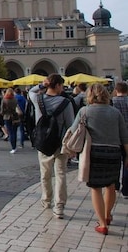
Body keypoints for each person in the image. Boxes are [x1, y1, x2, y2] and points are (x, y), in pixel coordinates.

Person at [68, 84, 128, 235]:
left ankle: (102, 224)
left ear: (90, 95)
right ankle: (108, 215)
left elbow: (73, 130)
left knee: (96, 187)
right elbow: (124, 137)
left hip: (94, 153)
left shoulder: (85, 111)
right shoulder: (115, 113)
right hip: (114, 153)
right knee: (111, 185)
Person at [29, 73, 75, 219]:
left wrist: (42, 85)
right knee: (61, 174)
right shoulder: (65, 103)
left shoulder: (38, 99)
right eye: (61, 85)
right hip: (60, 144)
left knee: (45, 174)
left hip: (43, 142)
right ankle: (59, 206)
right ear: (58, 85)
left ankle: (46, 199)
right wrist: (71, 147)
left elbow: (31, 91)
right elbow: (70, 125)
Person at [111, 81, 128, 199]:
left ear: (116, 90)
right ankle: (126, 189)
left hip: (116, 136)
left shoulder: (112, 102)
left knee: (116, 162)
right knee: (127, 161)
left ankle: (115, 185)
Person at [1, 88, 22, 154]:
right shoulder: (15, 99)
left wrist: (3, 113)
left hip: (7, 117)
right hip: (15, 116)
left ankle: (13, 147)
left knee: (10, 132)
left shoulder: (4, 100)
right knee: (14, 132)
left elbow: (1, 110)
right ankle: (15, 146)